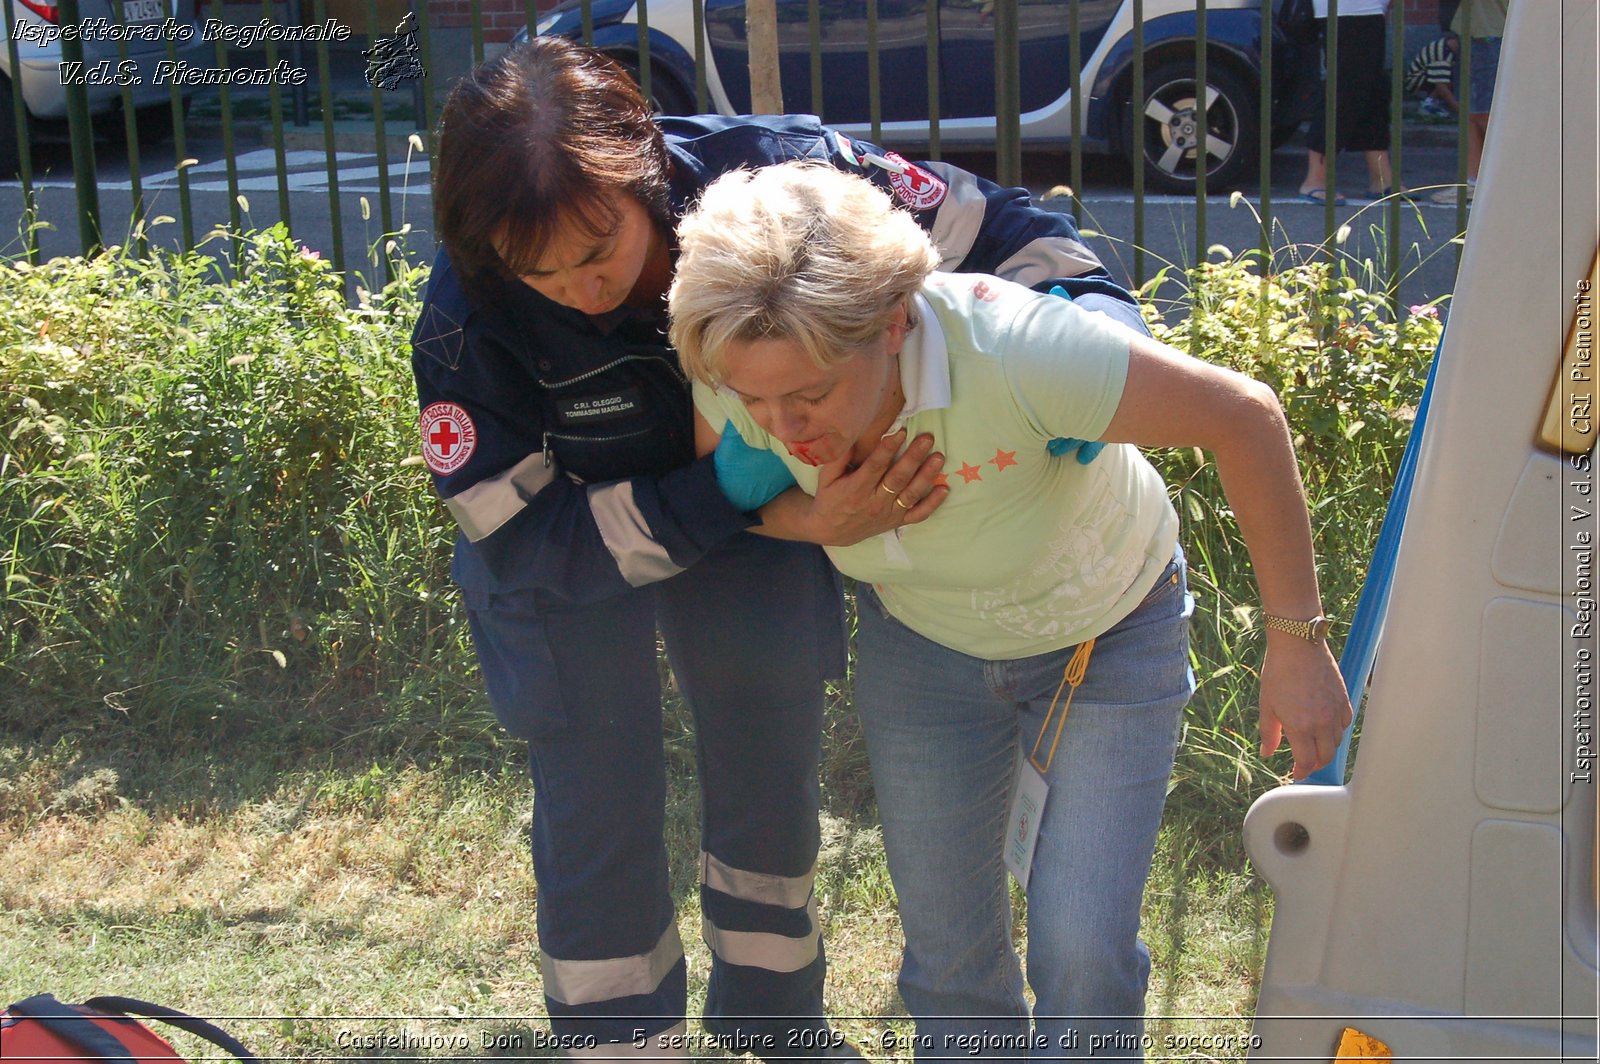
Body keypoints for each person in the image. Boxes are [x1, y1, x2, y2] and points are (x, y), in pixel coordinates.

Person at [410, 35, 1146, 1057]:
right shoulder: (463, 315)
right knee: (596, 798)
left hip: (758, 536)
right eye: (536, 272)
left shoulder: (788, 192)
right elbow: (524, 537)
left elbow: (1019, 234)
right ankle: (623, 1041)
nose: (576, 289)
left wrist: (1094, 338)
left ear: (647, 169)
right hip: (577, 563)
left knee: (768, 772)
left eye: (596, 253)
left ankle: (775, 1021)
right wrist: (730, 496)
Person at [670, 162, 1354, 1059]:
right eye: (754, 397)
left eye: (809, 393)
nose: (781, 424)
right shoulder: (737, 362)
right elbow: (735, 499)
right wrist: (819, 518)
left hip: (1106, 639)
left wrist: (1296, 641)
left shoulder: (1020, 347)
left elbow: (1246, 416)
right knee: (948, 960)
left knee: (1081, 949)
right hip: (922, 649)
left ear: (893, 322)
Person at [1297, 0, 1408, 204]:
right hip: (1343, 9)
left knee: (1372, 91)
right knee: (1344, 89)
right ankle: (1315, 179)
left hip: (1368, 9)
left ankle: (1381, 178)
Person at [1430, 0, 1508, 206]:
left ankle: (1510, 175)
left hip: (1493, 29)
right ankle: (1472, 181)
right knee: (1472, 113)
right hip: (1477, 27)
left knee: (1483, 113)